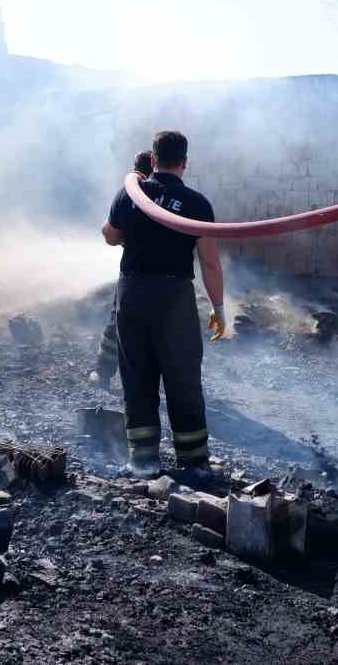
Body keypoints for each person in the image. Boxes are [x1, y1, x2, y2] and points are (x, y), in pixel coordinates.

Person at [101, 131, 226, 478]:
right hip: (175, 298)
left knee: (137, 374)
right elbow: (210, 263)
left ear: (152, 160)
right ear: (185, 162)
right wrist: (219, 308)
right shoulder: (197, 204)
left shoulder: (130, 195)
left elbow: (109, 236)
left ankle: (143, 461)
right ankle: (194, 462)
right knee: (183, 376)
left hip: (133, 293)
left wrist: (136, 231)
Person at [89, 151, 157, 389]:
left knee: (118, 324)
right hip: (172, 277)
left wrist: (125, 239)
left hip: (134, 275)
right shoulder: (175, 195)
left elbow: (109, 234)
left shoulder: (128, 194)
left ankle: (103, 374)